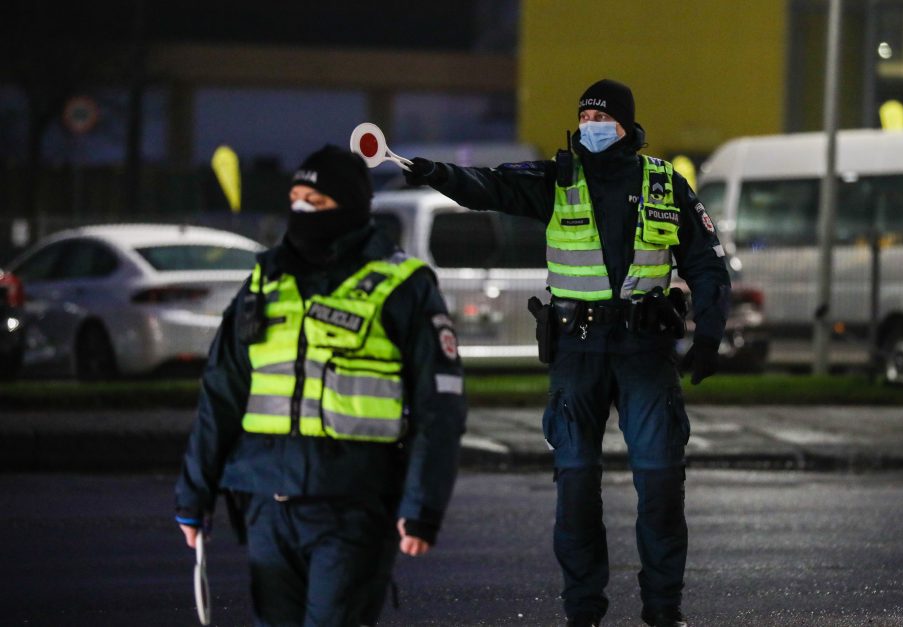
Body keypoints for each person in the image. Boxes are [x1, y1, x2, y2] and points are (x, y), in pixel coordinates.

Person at [403, 79, 730, 627]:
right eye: (584, 117)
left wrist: (710, 335)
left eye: (601, 118)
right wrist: (437, 172)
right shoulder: (557, 178)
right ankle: (583, 612)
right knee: (575, 486)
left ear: (626, 125)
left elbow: (707, 262)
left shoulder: (664, 182)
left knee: (661, 485)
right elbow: (488, 187)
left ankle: (663, 611)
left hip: (644, 352)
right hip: (578, 352)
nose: (591, 127)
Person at [175, 144, 467, 627]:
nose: (302, 209)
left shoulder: (403, 285)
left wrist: (423, 505)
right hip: (266, 504)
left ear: (351, 209)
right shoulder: (264, 282)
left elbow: (440, 405)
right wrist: (194, 492)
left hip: (354, 504)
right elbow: (221, 392)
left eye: (317, 200)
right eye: (296, 197)